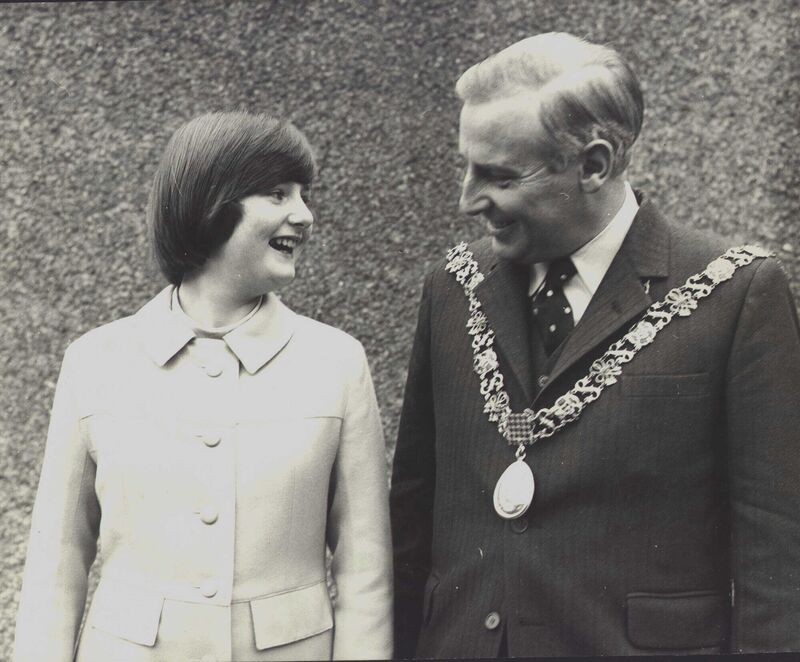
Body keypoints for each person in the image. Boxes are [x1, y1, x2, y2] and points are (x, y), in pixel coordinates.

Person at [391, 32, 800, 658]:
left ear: (594, 165)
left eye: (499, 176)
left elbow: (777, 546)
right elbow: (413, 515)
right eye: (467, 167)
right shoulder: (453, 286)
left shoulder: (737, 292)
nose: (468, 200)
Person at [14, 111, 393, 661]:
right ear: (211, 203)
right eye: (277, 194)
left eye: (303, 194)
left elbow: (366, 575)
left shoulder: (336, 363)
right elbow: (56, 568)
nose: (304, 215)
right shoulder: (95, 362)